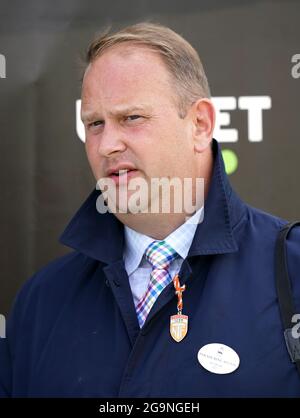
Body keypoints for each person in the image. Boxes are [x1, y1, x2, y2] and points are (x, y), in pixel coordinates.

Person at [1, 22, 300, 398]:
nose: (107, 144)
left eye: (132, 118)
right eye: (94, 123)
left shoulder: (293, 272)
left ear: (200, 124)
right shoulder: (41, 302)